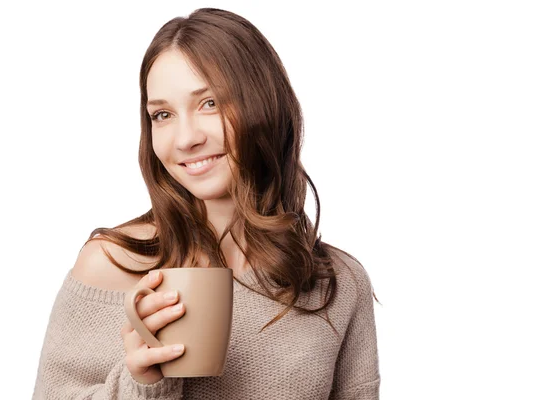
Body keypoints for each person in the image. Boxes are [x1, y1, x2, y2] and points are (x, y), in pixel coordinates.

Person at [32, 7, 381, 400]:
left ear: (264, 106)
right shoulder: (111, 265)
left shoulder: (338, 284)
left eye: (209, 103)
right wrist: (143, 385)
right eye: (162, 114)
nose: (185, 139)